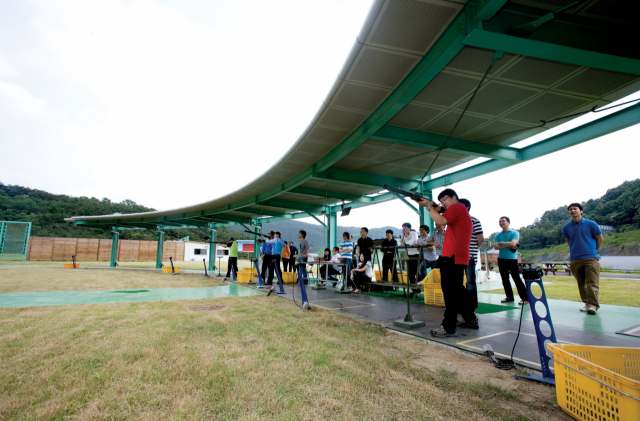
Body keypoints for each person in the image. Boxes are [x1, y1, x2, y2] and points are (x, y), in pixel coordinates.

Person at [414, 188, 474, 337]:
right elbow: (441, 217)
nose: (444, 203)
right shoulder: (459, 210)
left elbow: (440, 220)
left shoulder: (457, 207)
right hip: (456, 256)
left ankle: (449, 327)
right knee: (458, 291)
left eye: (445, 199)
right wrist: (436, 208)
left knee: (450, 292)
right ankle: (470, 319)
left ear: (454, 197)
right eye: (441, 201)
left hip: (452, 256)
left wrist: (429, 207)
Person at [562, 203, 603, 315]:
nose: (573, 211)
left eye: (575, 209)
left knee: (592, 282)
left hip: (591, 257)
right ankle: (587, 303)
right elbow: (569, 242)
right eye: (570, 209)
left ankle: (593, 305)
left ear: (581, 211)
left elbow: (600, 239)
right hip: (575, 259)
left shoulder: (591, 224)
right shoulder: (566, 227)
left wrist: (595, 251)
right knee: (581, 283)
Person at [495, 216, 527, 305]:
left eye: (503, 221)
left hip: (512, 259)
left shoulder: (514, 232)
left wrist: (501, 243)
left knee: (516, 278)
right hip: (501, 259)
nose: (501, 223)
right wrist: (508, 245)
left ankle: (525, 298)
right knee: (505, 279)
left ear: (508, 222)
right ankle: (509, 297)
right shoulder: (498, 235)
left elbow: (513, 243)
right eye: (500, 221)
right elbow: (495, 247)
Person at [459, 199, 484, 312]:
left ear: (467, 207)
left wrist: (471, 249)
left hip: (469, 256)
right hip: (457, 256)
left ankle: (471, 307)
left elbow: (480, 239)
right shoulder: (456, 221)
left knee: (470, 282)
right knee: (458, 282)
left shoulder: (474, 221)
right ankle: (461, 305)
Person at [399, 222, 420, 297]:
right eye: (403, 228)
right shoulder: (404, 235)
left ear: (409, 228)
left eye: (405, 228)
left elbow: (411, 243)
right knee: (410, 274)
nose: (403, 229)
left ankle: (418, 290)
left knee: (417, 273)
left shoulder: (414, 233)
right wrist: (403, 236)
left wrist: (407, 236)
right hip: (409, 256)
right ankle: (414, 291)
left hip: (416, 255)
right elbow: (399, 244)